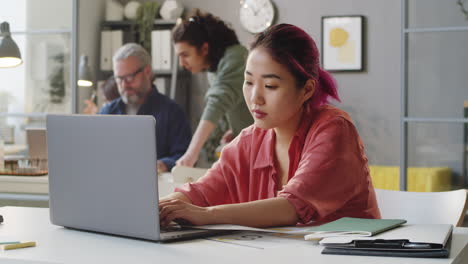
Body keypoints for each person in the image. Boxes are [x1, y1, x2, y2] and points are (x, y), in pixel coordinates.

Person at [159, 24, 381, 228]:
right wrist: (161, 209)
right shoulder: (249, 140)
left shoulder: (333, 129)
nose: (256, 98)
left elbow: (291, 207)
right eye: (248, 82)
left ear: (307, 90)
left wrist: (206, 214)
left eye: (270, 85)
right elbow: (200, 192)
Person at [172, 9, 253, 167]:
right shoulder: (213, 70)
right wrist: (233, 129)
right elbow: (228, 108)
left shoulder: (236, 57)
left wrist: (191, 154)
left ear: (204, 49)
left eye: (185, 55)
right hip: (249, 146)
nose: (182, 63)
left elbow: (218, 102)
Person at [99, 43, 192, 173]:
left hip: (158, 187)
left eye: (129, 77)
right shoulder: (107, 112)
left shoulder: (172, 112)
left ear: (147, 72)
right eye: (119, 79)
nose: (124, 85)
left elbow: (184, 156)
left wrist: (162, 164)